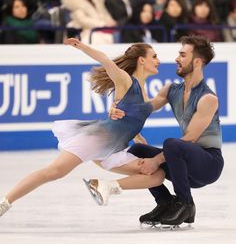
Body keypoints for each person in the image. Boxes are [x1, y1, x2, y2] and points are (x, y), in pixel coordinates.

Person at [0, 38, 166, 217]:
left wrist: (137, 136)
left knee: (156, 175)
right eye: (154, 56)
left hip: (115, 149)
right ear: (142, 60)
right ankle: (5, 202)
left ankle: (107, 186)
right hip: (96, 139)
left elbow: (129, 116)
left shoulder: (143, 92)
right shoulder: (126, 80)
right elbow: (105, 60)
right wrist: (81, 46)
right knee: (54, 172)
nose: (158, 61)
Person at [88, 35, 224, 227]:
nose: (177, 58)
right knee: (138, 150)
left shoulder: (208, 98)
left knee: (172, 144)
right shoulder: (172, 90)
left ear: (197, 62)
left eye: (182, 55)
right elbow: (142, 108)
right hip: (184, 160)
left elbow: (191, 138)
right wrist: (117, 107)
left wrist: (157, 160)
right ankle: (165, 202)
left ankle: (186, 204)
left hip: (208, 165)